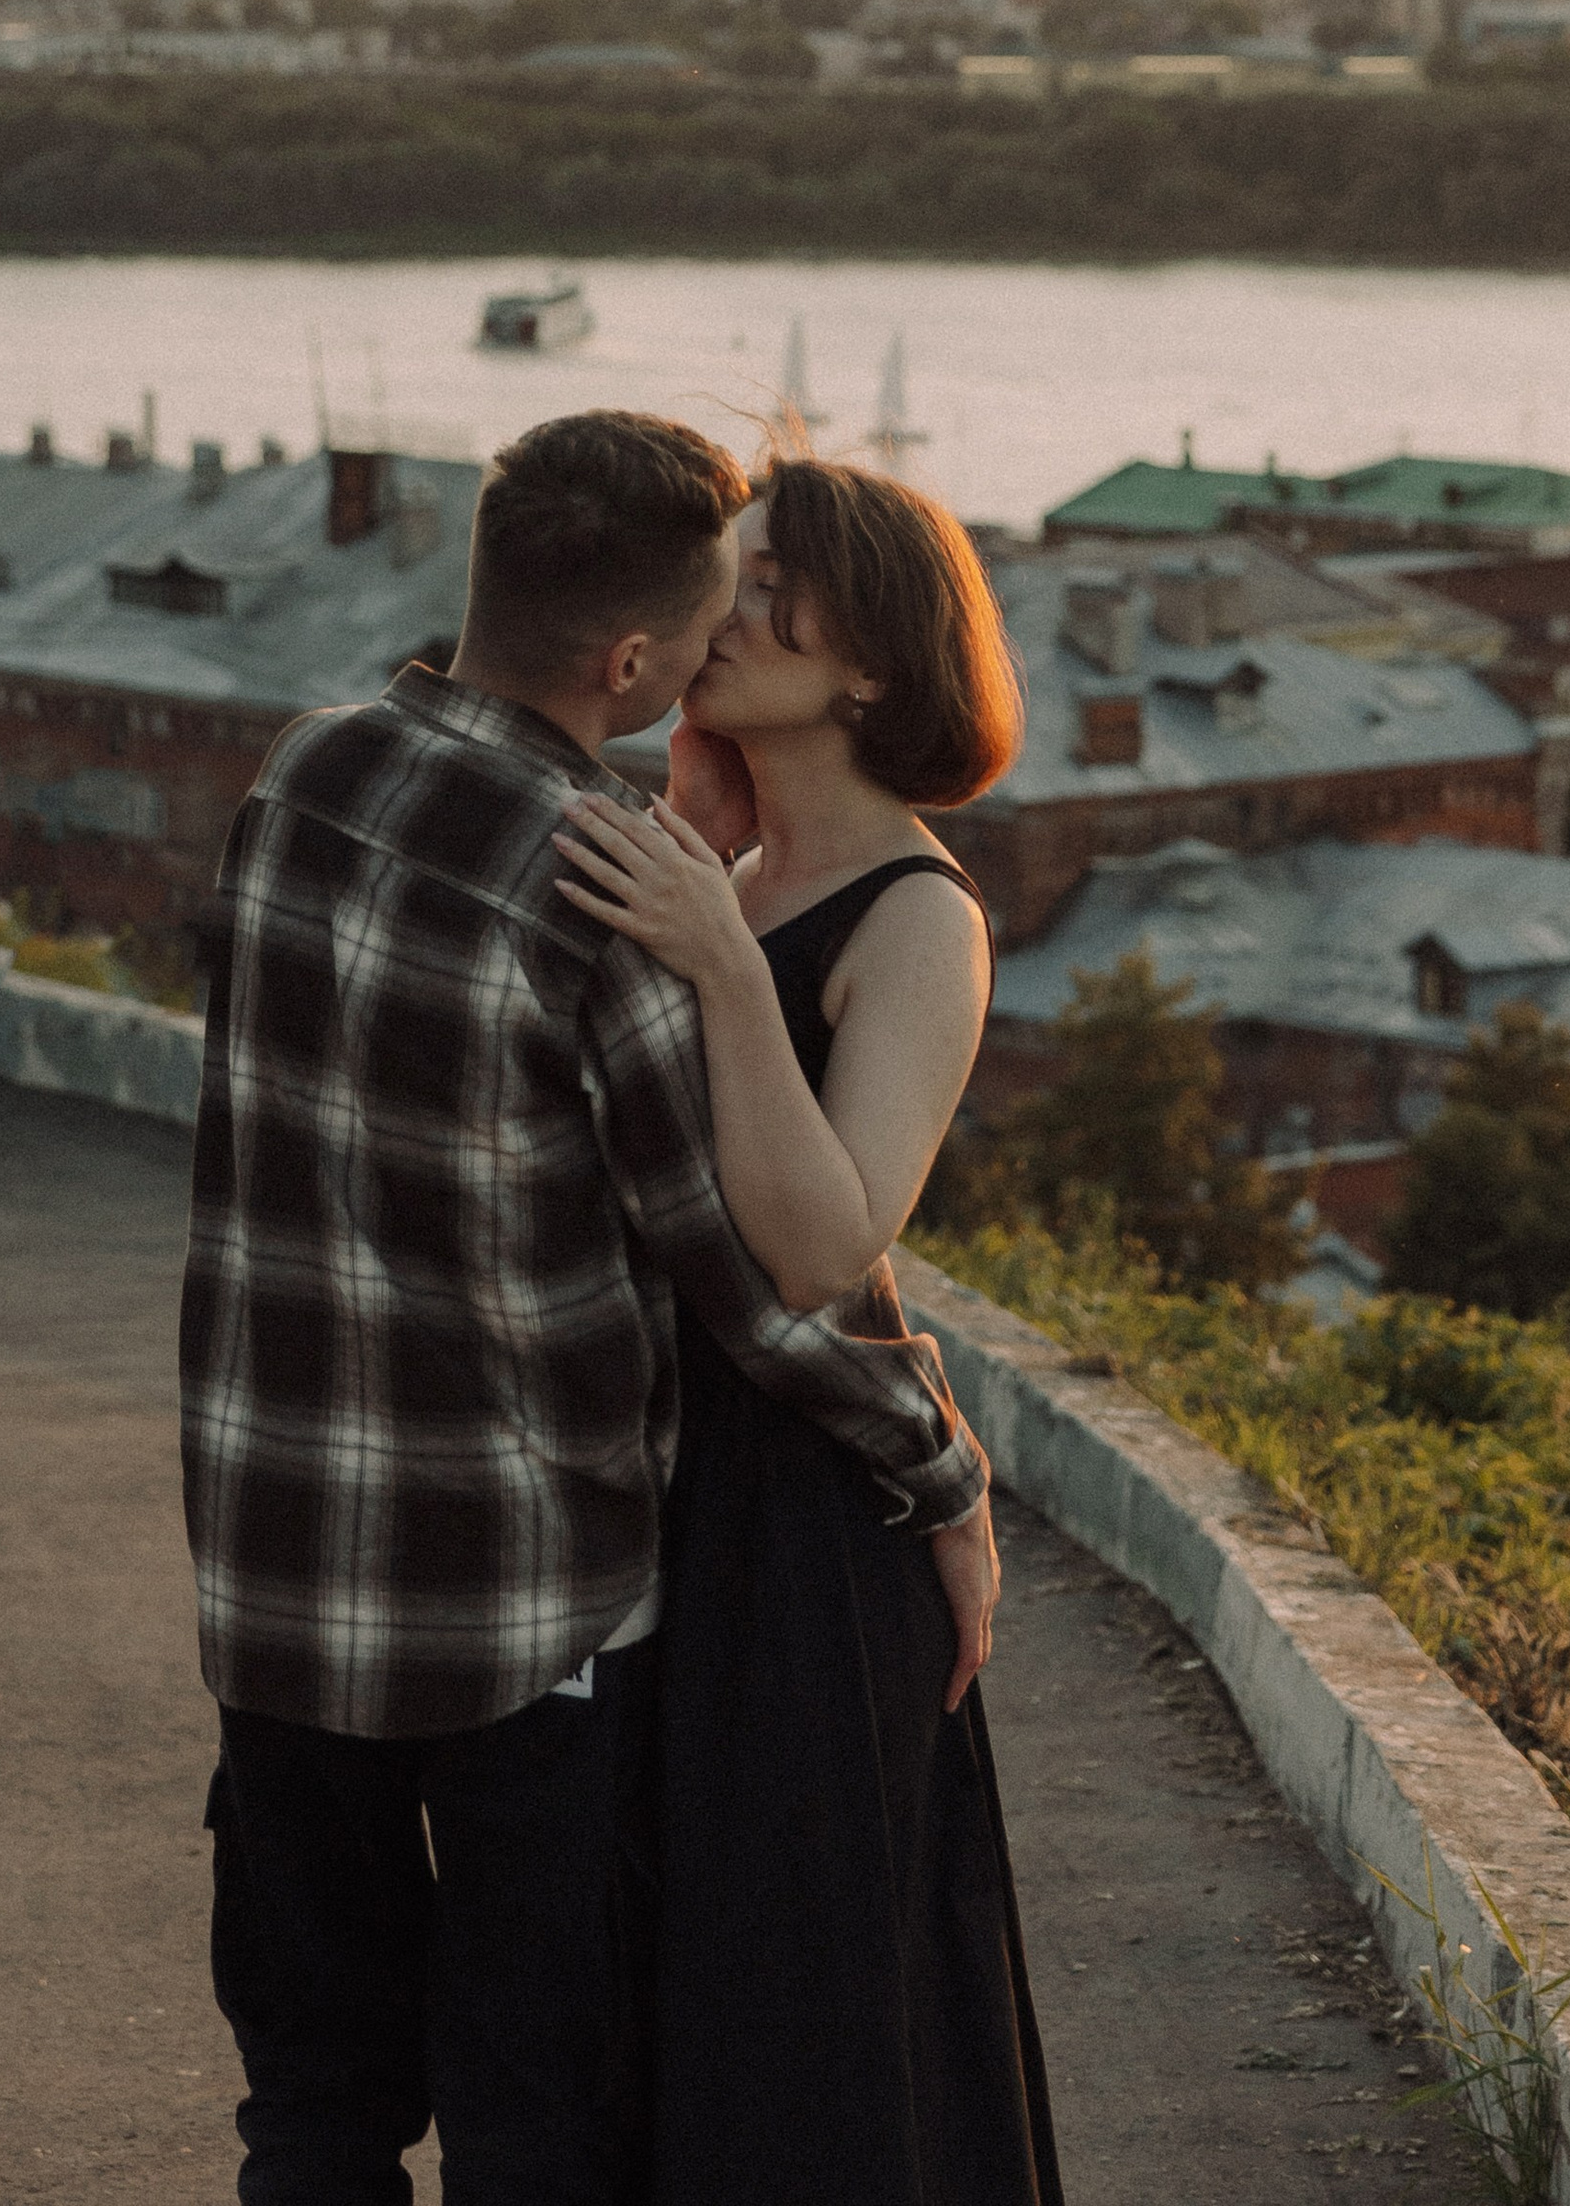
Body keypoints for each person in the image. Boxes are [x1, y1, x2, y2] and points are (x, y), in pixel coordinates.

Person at [181, 410, 997, 2206]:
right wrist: (941, 1466)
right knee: (536, 2124)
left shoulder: (300, 776)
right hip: (520, 1617)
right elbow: (750, 1284)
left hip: (277, 1576)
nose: (730, 635)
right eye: (723, 601)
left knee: (309, 2115)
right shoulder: (603, 881)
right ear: (635, 661)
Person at [551, 456, 1064, 2206]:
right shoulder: (725, 873)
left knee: (805, 2008)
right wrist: (709, 873)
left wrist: (715, 957)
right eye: (728, 570)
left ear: (873, 663)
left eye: (777, 584)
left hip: (795, 1538)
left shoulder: (920, 919)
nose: (728, 608)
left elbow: (826, 1241)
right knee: (661, 1995)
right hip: (658, 1487)